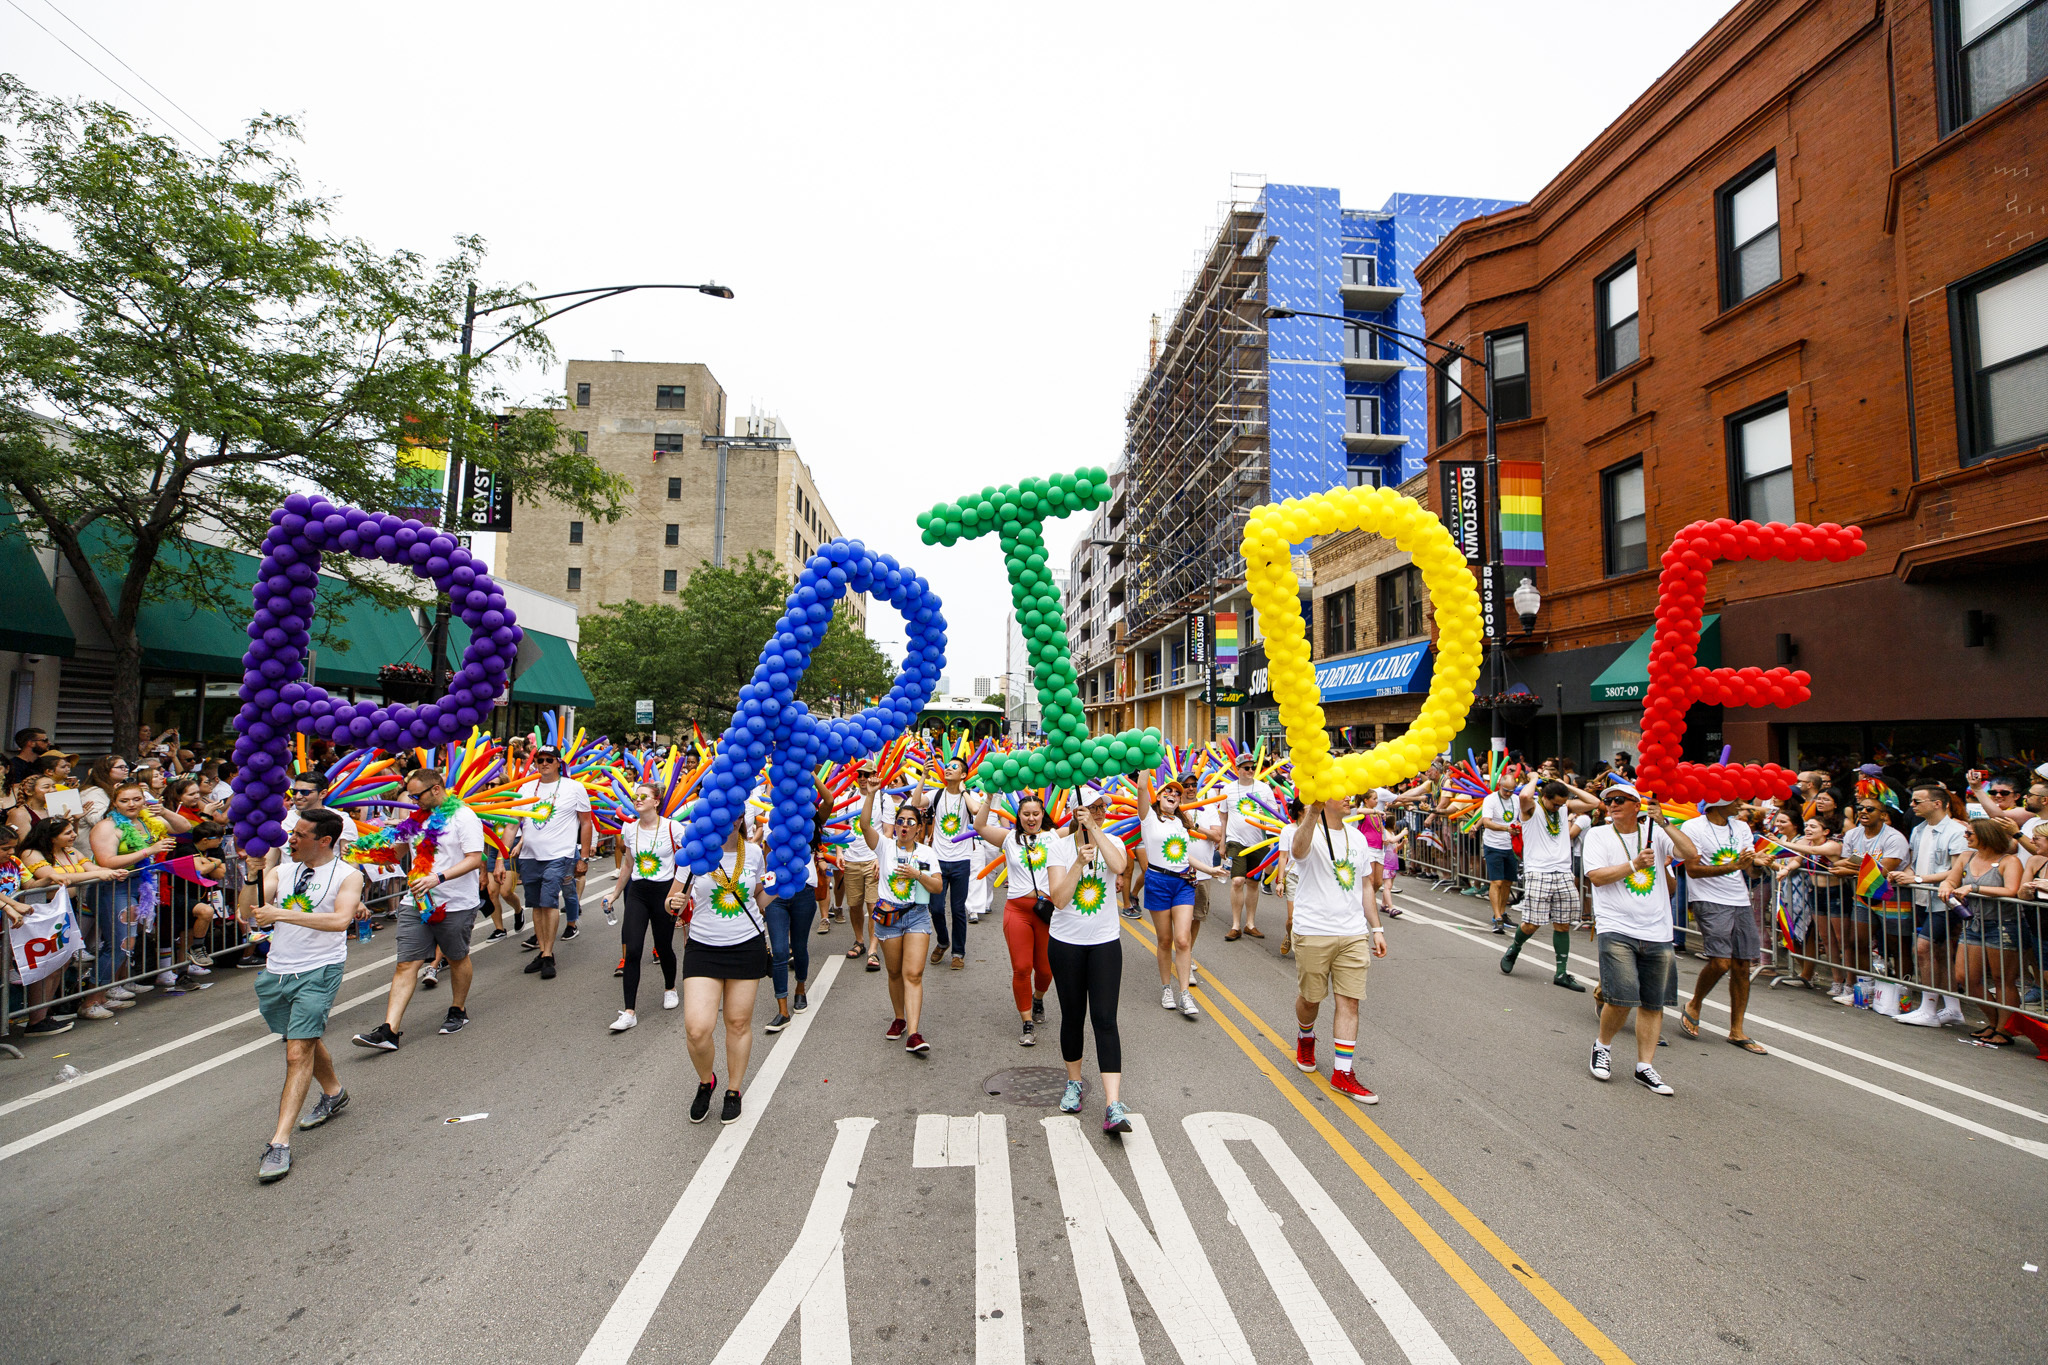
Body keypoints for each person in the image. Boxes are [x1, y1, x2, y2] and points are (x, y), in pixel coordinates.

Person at [247, 808, 362, 1184]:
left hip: (320, 969)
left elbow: (339, 921)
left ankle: (279, 1142)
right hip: (278, 971)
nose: (290, 839)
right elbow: (244, 915)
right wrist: (251, 875)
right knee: (303, 1040)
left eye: (298, 834)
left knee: (296, 1051)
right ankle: (334, 1091)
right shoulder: (280, 871)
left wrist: (280, 914)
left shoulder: (347, 875)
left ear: (324, 840)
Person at [350, 766, 486, 1050]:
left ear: (435, 789)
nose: (413, 802)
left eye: (416, 796)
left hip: (455, 902)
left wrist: (438, 877)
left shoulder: (464, 816)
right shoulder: (416, 819)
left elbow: (474, 858)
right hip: (416, 900)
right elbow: (398, 852)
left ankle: (458, 1009)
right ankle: (389, 1030)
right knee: (406, 963)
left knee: (457, 957)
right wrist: (364, 852)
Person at [1583, 783, 1699, 1096]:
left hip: (1658, 930)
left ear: (1638, 805)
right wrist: (1634, 864)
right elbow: (1595, 876)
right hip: (1616, 926)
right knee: (1620, 997)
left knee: (1653, 1002)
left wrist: (1663, 822)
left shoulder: (1656, 832)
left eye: (1620, 800)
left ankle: (1644, 1066)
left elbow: (1691, 854)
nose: (1612, 804)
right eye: (1608, 801)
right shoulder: (1598, 834)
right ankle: (1603, 1045)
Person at [1289, 792, 1387, 1102]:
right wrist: (1313, 811)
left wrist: (1377, 928)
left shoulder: (1357, 838)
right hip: (1313, 931)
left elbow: (1365, 886)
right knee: (1311, 998)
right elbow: (1298, 850)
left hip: (1352, 932)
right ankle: (1306, 1035)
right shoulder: (1307, 831)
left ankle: (1343, 1073)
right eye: (1339, 792)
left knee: (1350, 1002)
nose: (1348, 796)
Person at [1048, 785, 1134, 1133]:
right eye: (1091, 809)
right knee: (1072, 1016)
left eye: (1102, 809)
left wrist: (1097, 833)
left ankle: (1113, 1104)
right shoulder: (1057, 847)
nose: (1098, 813)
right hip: (1066, 942)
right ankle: (1074, 1082)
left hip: (1104, 943)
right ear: (1074, 812)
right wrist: (1078, 864)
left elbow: (1119, 865)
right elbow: (1059, 898)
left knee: (1105, 1019)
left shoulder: (1113, 841)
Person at [681, 818, 771, 1125]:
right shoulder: (694, 851)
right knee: (697, 1029)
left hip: (746, 945)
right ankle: (706, 1081)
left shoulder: (755, 853)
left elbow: (758, 901)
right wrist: (672, 902)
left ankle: (734, 1090)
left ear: (741, 817)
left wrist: (780, 887)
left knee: (738, 1022)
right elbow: (674, 901)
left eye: (734, 813)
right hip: (703, 947)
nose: (726, 819)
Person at [1676, 796, 1767, 1053]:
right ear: (1718, 800)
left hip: (1739, 899)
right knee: (1721, 961)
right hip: (1708, 899)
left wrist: (1758, 866)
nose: (1741, 804)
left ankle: (1737, 1030)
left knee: (1742, 964)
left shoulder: (1741, 827)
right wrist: (1732, 866)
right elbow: (1692, 869)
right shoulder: (1693, 827)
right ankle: (1694, 1003)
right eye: (1736, 799)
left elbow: (1749, 872)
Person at [976, 791, 1067, 1046]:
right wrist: (990, 798)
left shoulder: (1053, 837)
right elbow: (980, 826)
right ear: (1019, 816)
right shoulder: (1008, 839)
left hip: (1047, 912)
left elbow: (1080, 828)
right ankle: (1027, 1021)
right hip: (1017, 910)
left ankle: (1038, 998)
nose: (1031, 818)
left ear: (1042, 815)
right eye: (1026, 814)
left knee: (1046, 970)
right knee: (1022, 967)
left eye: (1036, 814)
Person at [600, 782, 686, 1034]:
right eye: (635, 796)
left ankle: (670, 987)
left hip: (664, 892)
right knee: (633, 949)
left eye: (643, 796)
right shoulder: (629, 829)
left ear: (656, 801)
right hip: (638, 892)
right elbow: (628, 864)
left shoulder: (673, 827)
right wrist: (615, 894)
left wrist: (680, 893)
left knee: (663, 946)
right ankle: (629, 1012)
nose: (637, 800)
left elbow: (687, 860)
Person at [1500, 776, 1600, 990]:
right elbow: (1526, 795)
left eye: (1562, 803)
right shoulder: (1530, 809)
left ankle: (1561, 972)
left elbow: (1594, 803)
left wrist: (1568, 788)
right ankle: (1515, 948)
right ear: (1544, 797)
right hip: (1538, 872)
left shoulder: (1564, 808)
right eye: (1555, 803)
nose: (1559, 807)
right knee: (1531, 923)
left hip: (1563, 872)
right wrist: (1535, 778)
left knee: (1563, 925)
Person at [862, 791, 942, 1053]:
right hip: (889, 916)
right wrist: (872, 794)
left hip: (917, 914)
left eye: (910, 822)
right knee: (895, 972)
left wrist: (917, 874)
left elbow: (938, 887)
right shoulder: (884, 846)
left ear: (919, 828)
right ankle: (899, 1018)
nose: (904, 826)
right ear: (895, 825)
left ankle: (915, 1033)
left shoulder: (927, 853)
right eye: (900, 821)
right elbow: (864, 825)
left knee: (914, 974)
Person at [1137, 774, 1221, 1019]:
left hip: (1184, 883)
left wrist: (1210, 870)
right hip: (1157, 882)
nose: (1173, 795)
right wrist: (1145, 762)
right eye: (1167, 792)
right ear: (1158, 797)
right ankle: (1167, 989)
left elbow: (1185, 857)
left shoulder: (1181, 824)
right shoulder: (1148, 818)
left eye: (1176, 793)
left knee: (1183, 940)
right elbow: (1142, 786)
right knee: (1165, 940)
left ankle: (1185, 994)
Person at [1890, 784, 1971, 1028]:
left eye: (1917, 801)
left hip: (1945, 901)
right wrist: (1903, 873)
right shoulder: (1918, 829)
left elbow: (1957, 870)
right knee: (1940, 953)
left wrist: (1916, 879)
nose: (1912, 805)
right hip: (1921, 898)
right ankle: (1953, 1008)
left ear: (1937, 803)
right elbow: (1914, 864)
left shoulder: (1958, 831)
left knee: (1923, 949)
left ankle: (1928, 1008)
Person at [1940, 819, 2026, 1045]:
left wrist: (1974, 887)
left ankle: (2003, 1030)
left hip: (2003, 923)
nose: (1965, 837)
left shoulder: (2009, 860)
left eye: (1970, 833)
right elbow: (1952, 877)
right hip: (1973, 923)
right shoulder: (1966, 857)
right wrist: (1947, 885)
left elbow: (2011, 889)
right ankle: (1994, 1021)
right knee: (1966, 977)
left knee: (2002, 979)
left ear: (1986, 835)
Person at [512, 746, 592, 979]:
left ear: (558, 763)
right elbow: (513, 823)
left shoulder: (574, 787)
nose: (544, 763)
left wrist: (584, 857)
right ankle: (543, 952)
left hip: (560, 854)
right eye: (539, 760)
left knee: (549, 902)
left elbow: (585, 823)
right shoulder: (526, 787)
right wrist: (500, 857)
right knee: (536, 904)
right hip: (529, 856)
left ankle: (548, 954)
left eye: (549, 760)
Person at [1833, 795, 1910, 1011]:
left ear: (1884, 815)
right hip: (1863, 893)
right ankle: (1865, 990)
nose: (1863, 812)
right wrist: (1849, 867)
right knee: (1857, 940)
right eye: (1860, 808)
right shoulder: (1852, 834)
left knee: (1898, 946)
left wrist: (1847, 869)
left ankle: (1904, 994)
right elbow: (1846, 860)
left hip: (1892, 896)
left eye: (1870, 809)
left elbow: (1883, 870)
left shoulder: (1895, 838)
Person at [761, 798, 827, 1035]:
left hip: (803, 891)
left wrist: (813, 776)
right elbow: (766, 857)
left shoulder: (808, 822)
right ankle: (782, 1010)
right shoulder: (773, 822)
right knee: (779, 950)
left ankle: (800, 988)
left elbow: (828, 800)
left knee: (799, 947)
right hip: (776, 894)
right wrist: (764, 894)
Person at [914, 758, 978, 970]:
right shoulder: (937, 794)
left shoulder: (968, 796)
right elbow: (915, 803)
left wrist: (963, 791)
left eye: (955, 767)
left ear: (963, 775)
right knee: (936, 907)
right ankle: (943, 941)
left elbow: (976, 810)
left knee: (958, 909)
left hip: (961, 860)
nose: (948, 768)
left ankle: (958, 952)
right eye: (947, 766)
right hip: (938, 860)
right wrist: (923, 776)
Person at [833, 760, 891, 973]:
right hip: (851, 859)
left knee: (873, 905)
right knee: (854, 904)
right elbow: (841, 829)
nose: (863, 779)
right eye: (859, 775)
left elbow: (887, 831)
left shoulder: (884, 799)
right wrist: (839, 852)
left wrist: (880, 857)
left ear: (875, 775)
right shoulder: (846, 798)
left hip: (873, 859)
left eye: (867, 775)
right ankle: (859, 941)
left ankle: (873, 949)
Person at [1220, 753, 1277, 941]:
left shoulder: (1264, 788)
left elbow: (1275, 816)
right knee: (1237, 881)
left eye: (1253, 767)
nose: (1251, 770)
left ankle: (1250, 923)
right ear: (1238, 770)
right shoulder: (1228, 790)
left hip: (1258, 842)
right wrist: (1222, 842)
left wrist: (1266, 813)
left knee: (1253, 883)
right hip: (1235, 841)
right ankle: (1235, 925)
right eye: (1246, 768)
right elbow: (1223, 817)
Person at [1477, 768, 1521, 934]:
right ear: (1499, 786)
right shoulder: (1491, 799)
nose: (1509, 794)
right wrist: (1506, 829)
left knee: (1508, 881)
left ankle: (1502, 912)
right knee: (1497, 882)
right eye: (1506, 790)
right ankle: (1497, 917)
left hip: (1510, 846)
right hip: (1493, 845)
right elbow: (1487, 822)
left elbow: (1520, 818)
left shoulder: (1516, 800)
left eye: (1512, 790)